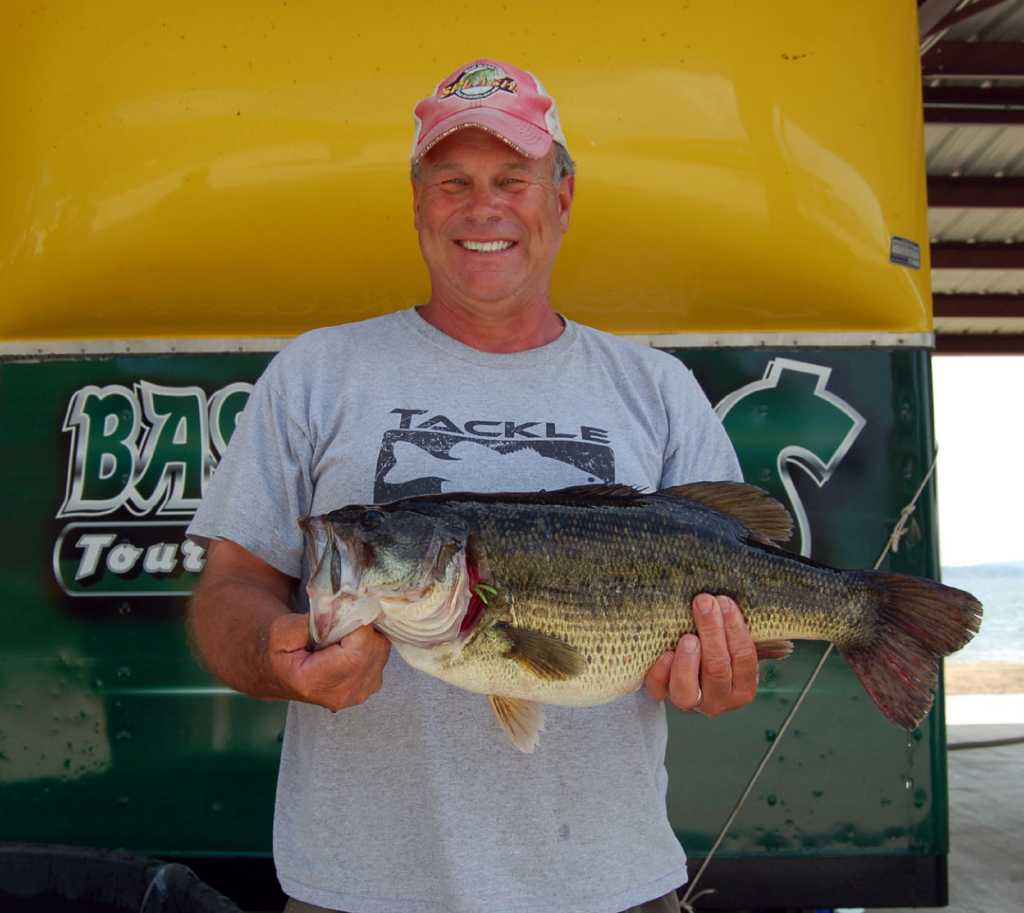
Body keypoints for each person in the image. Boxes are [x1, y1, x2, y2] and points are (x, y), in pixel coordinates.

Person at [187, 59, 760, 913]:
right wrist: (277, 654)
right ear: (418, 202)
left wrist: (722, 667)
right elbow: (229, 590)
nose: (482, 206)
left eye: (512, 178)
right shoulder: (317, 372)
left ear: (561, 198)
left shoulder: (659, 389)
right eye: (451, 180)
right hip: (357, 890)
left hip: (610, 886)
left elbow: (743, 596)